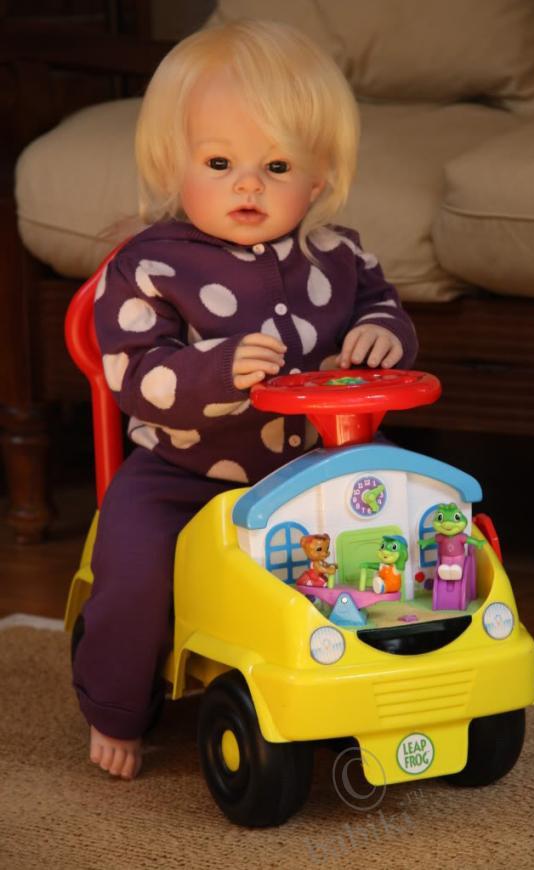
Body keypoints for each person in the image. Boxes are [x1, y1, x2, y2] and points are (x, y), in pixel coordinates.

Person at [72, 18, 418, 781]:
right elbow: (135, 375)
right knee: (134, 574)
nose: (249, 185)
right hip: (183, 476)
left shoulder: (337, 254)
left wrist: (383, 336)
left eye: (277, 164)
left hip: (316, 472)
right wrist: (214, 371)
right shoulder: (151, 266)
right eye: (220, 162)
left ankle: (388, 667)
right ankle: (116, 706)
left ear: (318, 178)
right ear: (175, 164)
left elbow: (382, 307)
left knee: (402, 520)